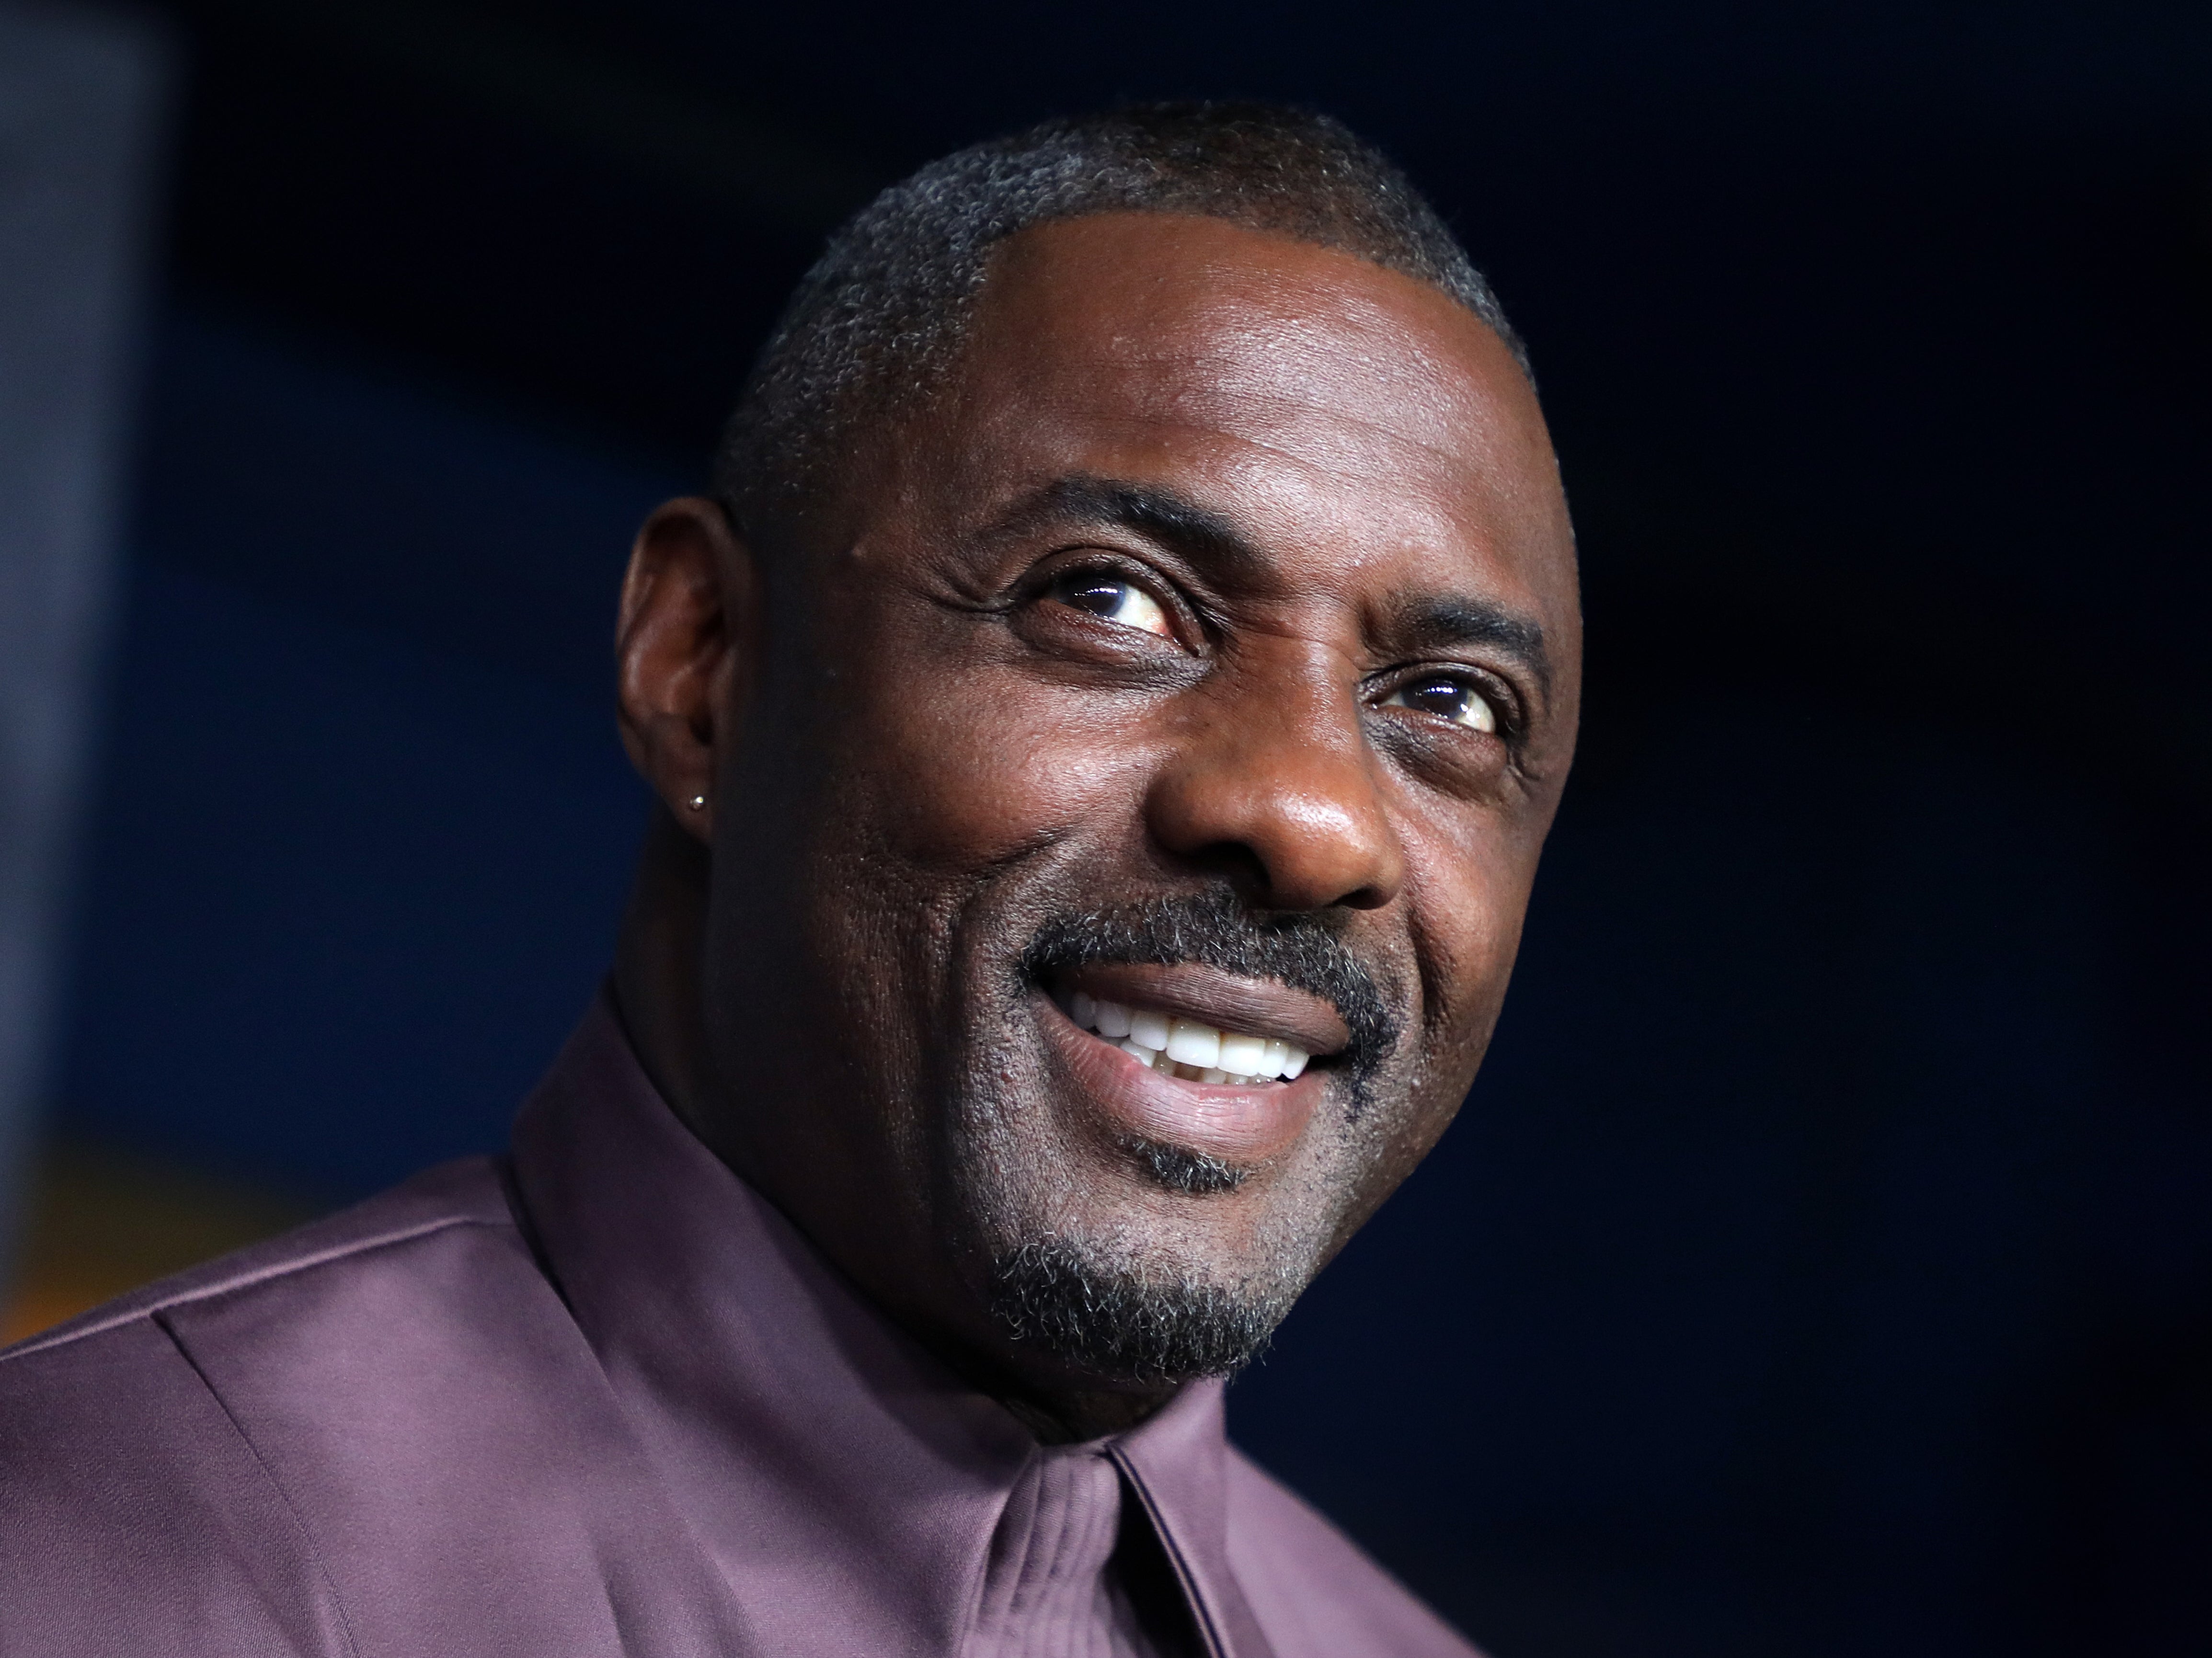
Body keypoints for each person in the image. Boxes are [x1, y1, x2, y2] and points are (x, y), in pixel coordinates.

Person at [0, 103, 1579, 1656]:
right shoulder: (107, 1562)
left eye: (1446, 704)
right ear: (702, 663)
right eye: (1110, 600)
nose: (1312, 818)